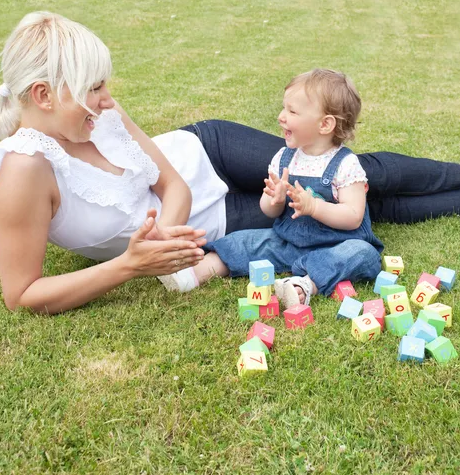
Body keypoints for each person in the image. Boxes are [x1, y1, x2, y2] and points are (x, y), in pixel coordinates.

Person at [0, 12, 460, 314]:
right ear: (45, 96)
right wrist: (131, 265)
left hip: (209, 156)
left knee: (353, 170)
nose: (109, 100)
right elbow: (22, 293)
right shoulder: (23, 174)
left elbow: (170, 179)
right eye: (94, 89)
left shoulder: (101, 116)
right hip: (221, 225)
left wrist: (166, 232)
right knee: (365, 211)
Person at [165, 69, 385, 307]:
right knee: (244, 241)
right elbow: (268, 211)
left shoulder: (346, 164)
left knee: (362, 254)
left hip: (337, 245)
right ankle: (196, 272)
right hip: (288, 243)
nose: (281, 116)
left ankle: (305, 285)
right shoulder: (284, 157)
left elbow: (353, 217)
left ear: (325, 124)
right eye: (284, 108)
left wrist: (314, 206)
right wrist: (274, 200)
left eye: (292, 111)